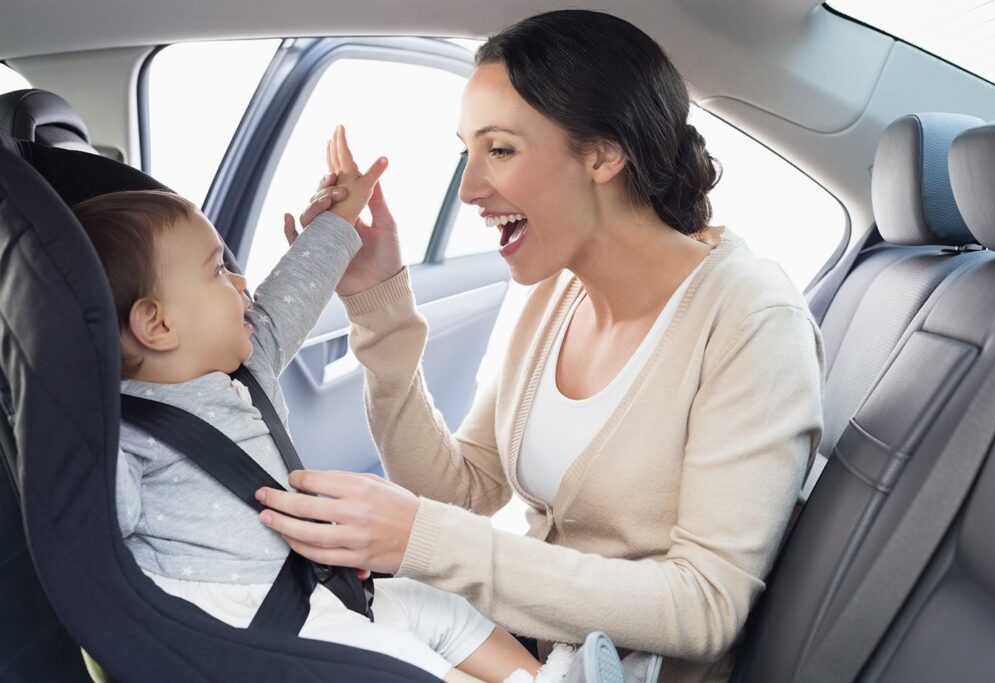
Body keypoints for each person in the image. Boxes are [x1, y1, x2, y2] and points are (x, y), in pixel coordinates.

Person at [257, 10, 825, 682]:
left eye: (499, 150)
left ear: (603, 154)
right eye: (466, 151)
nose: (468, 188)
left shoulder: (751, 319)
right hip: (526, 650)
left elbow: (705, 607)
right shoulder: (559, 291)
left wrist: (424, 540)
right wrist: (378, 301)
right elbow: (463, 491)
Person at [73, 128, 619, 683]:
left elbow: (294, 288)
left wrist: (340, 219)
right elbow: (88, 548)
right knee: (401, 663)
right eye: (217, 270)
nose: (241, 279)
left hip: (314, 587)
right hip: (246, 627)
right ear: (156, 323)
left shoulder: (245, 362)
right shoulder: (116, 436)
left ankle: (556, 678)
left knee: (438, 607)